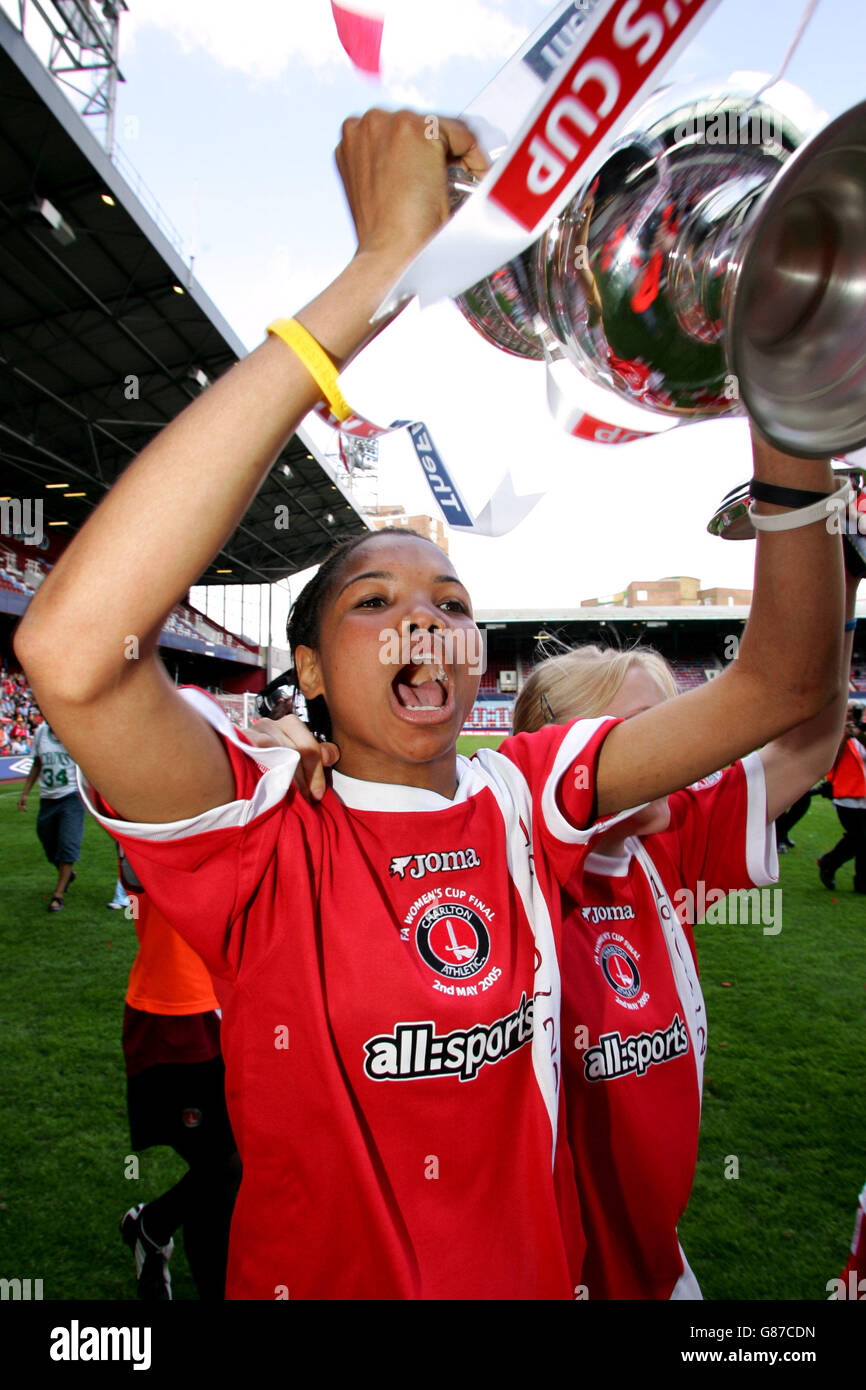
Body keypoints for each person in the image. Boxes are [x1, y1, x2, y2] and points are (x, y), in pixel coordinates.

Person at [13, 109, 847, 1299]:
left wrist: (794, 404)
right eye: (372, 599)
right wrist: (377, 274)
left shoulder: (528, 795)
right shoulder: (257, 833)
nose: (423, 615)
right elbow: (74, 645)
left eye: (449, 599)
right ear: (302, 671)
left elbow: (782, 685)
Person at [510, 576, 858, 1299]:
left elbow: (810, 739)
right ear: (556, 749)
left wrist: (839, 573)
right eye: (649, 730)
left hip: (658, 1260)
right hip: (543, 1267)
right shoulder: (503, 862)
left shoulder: (667, 838)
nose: (690, 753)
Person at [117, 848, 240, 1302]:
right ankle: (152, 1226)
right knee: (223, 1163)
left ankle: (162, 1236)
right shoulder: (153, 805)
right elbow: (141, 866)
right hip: (176, 1013)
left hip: (231, 1006)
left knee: (227, 1166)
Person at [17, 717, 85, 910]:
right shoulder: (40, 733)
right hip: (47, 798)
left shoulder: (74, 732)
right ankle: (68, 874)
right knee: (47, 841)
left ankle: (58, 895)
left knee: (68, 844)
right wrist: (25, 793)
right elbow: (37, 764)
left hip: (71, 797)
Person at [817, 711, 866, 892]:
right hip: (846, 795)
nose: (854, 717)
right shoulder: (834, 733)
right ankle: (828, 863)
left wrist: (859, 736)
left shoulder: (860, 733)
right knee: (857, 838)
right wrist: (845, 737)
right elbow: (829, 761)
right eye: (851, 712)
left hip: (862, 795)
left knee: (861, 840)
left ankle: (862, 882)